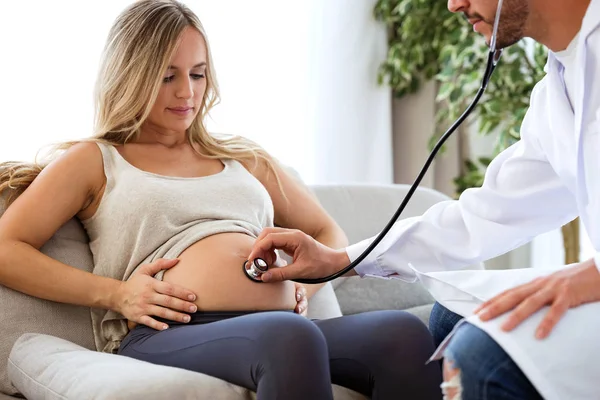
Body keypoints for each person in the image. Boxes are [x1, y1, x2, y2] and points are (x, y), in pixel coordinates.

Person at [0, 1, 443, 399]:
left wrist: (304, 287)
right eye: (167, 76)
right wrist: (116, 294)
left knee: (402, 333)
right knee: (290, 337)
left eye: (197, 73)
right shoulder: (96, 160)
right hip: (168, 332)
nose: (187, 93)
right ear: (131, 75)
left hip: (283, 327)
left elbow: (328, 232)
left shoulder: (243, 158)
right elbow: (6, 248)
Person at [247, 0, 600, 399]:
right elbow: (486, 216)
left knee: (480, 357)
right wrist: (341, 260)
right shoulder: (560, 87)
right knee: (452, 314)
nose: (453, 4)